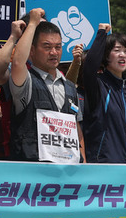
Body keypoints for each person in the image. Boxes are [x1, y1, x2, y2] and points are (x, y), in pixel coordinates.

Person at [6, 9, 83, 162]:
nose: (54, 52)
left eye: (58, 47)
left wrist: (83, 167)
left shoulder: (69, 87)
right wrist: (33, 23)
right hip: (34, 174)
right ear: (32, 51)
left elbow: (78, 134)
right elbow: (17, 63)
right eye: (47, 47)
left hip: (68, 173)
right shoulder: (26, 82)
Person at [80, 21, 126, 164]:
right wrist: (101, 34)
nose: (122, 55)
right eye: (116, 50)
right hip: (106, 168)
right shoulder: (98, 85)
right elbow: (89, 67)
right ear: (105, 56)